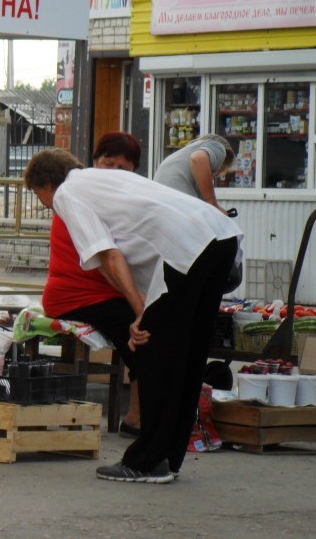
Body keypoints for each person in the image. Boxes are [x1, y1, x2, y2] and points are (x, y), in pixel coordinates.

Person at [24, 148, 241, 484]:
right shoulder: (103, 178)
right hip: (218, 236)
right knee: (188, 352)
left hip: (186, 247)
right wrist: (143, 306)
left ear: (47, 184)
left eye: (41, 198)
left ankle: (146, 461)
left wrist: (142, 313)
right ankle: (169, 457)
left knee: (155, 350)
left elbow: (108, 255)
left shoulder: (68, 193)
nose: (46, 206)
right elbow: (112, 257)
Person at [41, 132, 143, 438]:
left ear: (134, 172)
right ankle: (137, 419)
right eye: (106, 163)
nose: (112, 172)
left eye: (122, 168)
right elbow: (107, 262)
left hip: (101, 290)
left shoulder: (119, 200)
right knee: (142, 334)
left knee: (149, 325)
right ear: (94, 163)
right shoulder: (79, 197)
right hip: (76, 295)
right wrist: (141, 307)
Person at [154, 133, 236, 214]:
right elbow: (198, 158)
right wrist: (213, 205)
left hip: (159, 206)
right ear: (225, 160)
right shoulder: (218, 147)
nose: (213, 177)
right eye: (216, 173)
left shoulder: (181, 155)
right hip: (176, 207)